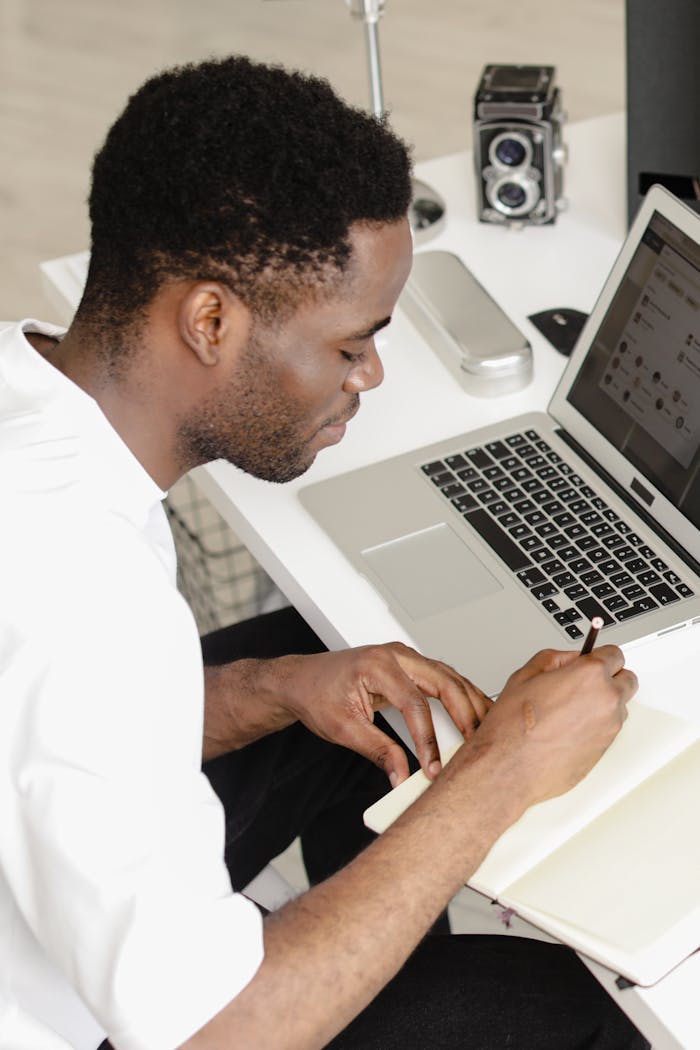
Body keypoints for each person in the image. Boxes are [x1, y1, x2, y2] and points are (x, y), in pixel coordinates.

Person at [0, 55, 648, 1050]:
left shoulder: (30, 401)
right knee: (576, 1011)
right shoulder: (85, 592)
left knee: (353, 697)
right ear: (210, 321)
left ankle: (357, 966)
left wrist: (276, 687)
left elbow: (62, 722)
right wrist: (505, 769)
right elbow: (214, 1033)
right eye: (350, 345)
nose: (371, 375)